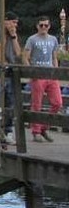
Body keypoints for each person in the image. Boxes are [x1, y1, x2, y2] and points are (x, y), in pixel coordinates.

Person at [23, 15, 61, 143]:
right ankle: (36, 131)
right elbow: (25, 57)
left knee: (57, 103)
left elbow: (54, 57)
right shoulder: (31, 39)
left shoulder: (53, 39)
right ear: (37, 26)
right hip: (38, 74)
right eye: (41, 25)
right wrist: (31, 72)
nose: (43, 27)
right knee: (37, 104)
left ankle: (45, 127)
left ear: (49, 26)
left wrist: (56, 71)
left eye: (46, 25)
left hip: (50, 73)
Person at [0, 11, 22, 144]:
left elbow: (18, 53)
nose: (15, 25)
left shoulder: (13, 35)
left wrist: (13, 36)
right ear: (6, 21)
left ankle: (8, 131)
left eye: (16, 23)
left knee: (10, 102)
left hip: (9, 71)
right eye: (13, 22)